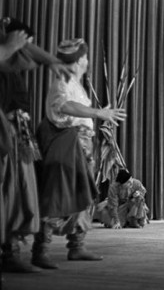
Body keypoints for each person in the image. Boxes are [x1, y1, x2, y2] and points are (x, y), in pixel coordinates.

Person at [31, 38, 127, 269]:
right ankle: (40, 249)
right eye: (84, 57)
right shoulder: (62, 81)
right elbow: (63, 106)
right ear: (76, 61)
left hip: (80, 145)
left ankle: (77, 246)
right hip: (66, 146)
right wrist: (98, 113)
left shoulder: (75, 83)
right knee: (57, 194)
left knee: (83, 195)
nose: (87, 60)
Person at [0, 18, 73, 273]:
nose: (27, 50)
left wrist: (51, 60)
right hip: (6, 136)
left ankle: (12, 251)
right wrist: (12, 44)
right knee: (9, 195)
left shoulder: (11, 63)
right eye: (23, 44)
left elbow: (31, 55)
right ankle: (10, 252)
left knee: (21, 195)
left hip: (19, 135)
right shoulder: (5, 57)